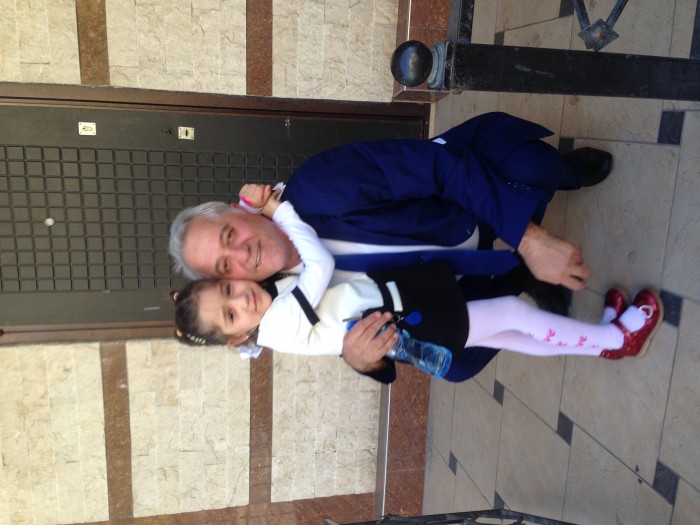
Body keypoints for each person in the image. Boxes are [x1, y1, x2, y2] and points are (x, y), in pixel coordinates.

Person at [169, 112, 614, 379]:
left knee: (532, 168)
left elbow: (439, 167)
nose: (241, 255)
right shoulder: (278, 300)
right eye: (224, 268)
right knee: (456, 363)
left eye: (230, 235)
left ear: (240, 210)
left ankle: (566, 175)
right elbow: (347, 330)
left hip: (458, 208)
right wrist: (360, 360)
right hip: (442, 285)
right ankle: (520, 275)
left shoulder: (318, 186)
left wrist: (528, 236)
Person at [172, 184, 663, 384]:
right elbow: (319, 263)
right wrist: (279, 211)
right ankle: (616, 338)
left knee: (510, 333)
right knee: (513, 315)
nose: (241, 296)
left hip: (408, 312)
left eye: (228, 288)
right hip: (412, 319)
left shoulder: (271, 305)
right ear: (238, 336)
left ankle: (604, 343)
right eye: (231, 314)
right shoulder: (277, 322)